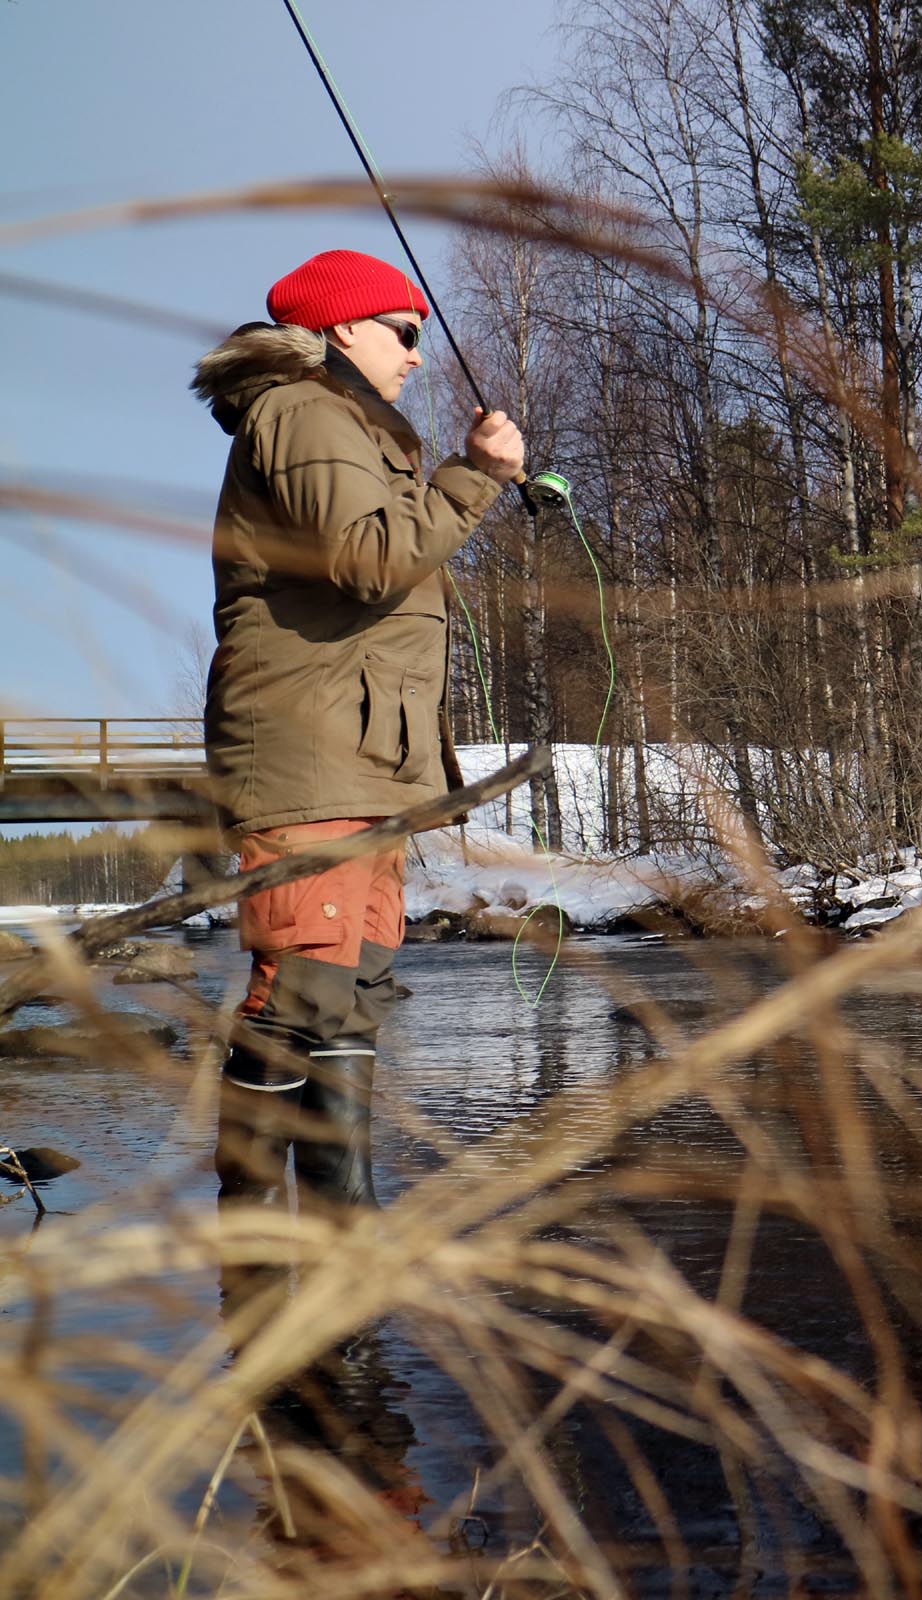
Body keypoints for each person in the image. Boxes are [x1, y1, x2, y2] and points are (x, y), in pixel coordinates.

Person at [193, 249, 523, 1213]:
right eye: (403, 332)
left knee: (346, 1009)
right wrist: (475, 477)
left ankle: (342, 1252)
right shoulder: (304, 414)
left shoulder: (350, 425)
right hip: (313, 756)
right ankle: (252, 1247)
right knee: (297, 1001)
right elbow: (369, 558)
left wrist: (457, 475)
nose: (418, 355)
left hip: (365, 765)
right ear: (342, 329)